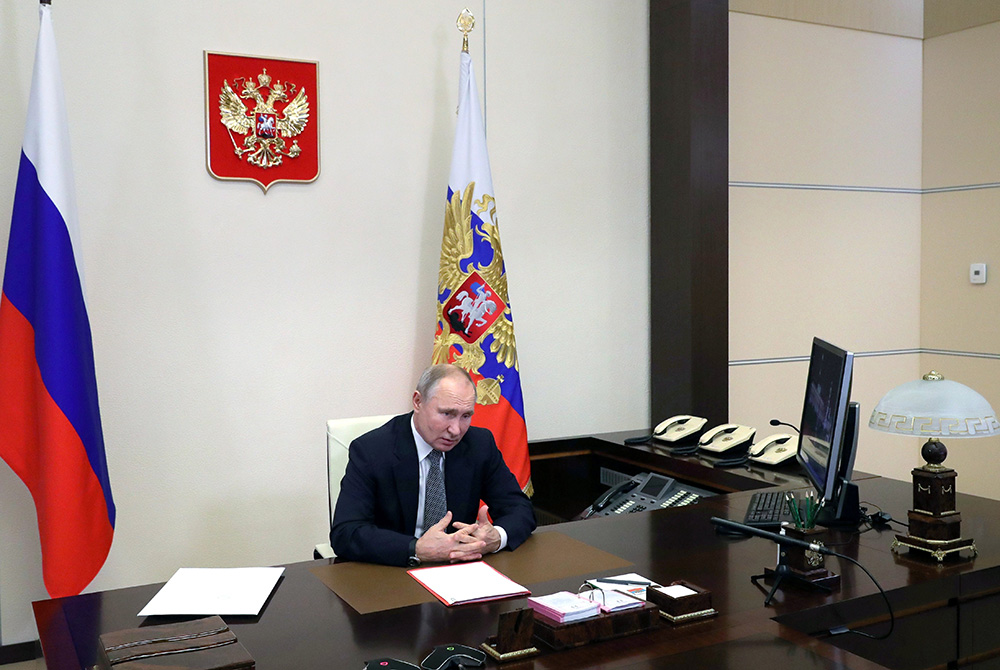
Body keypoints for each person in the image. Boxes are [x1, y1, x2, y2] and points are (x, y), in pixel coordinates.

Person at [330, 364, 536, 566]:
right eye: (447, 413)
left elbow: (520, 509)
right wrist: (417, 548)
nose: (456, 430)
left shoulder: (479, 444)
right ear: (418, 402)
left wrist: (495, 537)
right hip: (394, 571)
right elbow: (346, 532)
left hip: (460, 569)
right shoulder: (372, 450)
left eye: (466, 416)